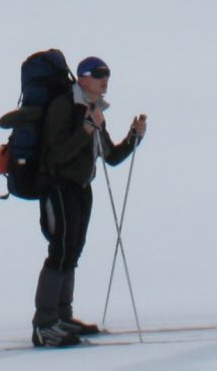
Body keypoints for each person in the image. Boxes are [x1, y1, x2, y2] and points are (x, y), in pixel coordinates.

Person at [32, 56, 146, 347]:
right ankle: (44, 324)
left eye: (107, 75)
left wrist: (134, 137)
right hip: (60, 185)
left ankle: (61, 316)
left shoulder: (92, 110)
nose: (104, 80)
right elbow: (55, 155)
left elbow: (110, 155)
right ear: (82, 79)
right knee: (60, 250)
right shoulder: (63, 106)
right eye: (98, 75)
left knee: (72, 250)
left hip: (82, 187)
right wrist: (85, 129)